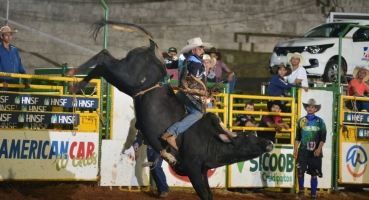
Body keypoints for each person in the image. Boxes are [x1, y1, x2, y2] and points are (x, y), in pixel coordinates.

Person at [161, 37, 208, 151]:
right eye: (200, 48)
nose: (202, 50)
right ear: (193, 50)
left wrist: (164, 60)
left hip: (182, 91)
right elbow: (196, 79)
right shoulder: (196, 63)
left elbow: (169, 64)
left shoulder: (183, 59)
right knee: (198, 113)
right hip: (191, 93)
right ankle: (172, 133)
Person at [294, 98, 327, 200]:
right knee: (300, 171)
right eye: (309, 106)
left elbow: (323, 138)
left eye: (312, 107)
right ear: (306, 108)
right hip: (303, 150)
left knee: (314, 174)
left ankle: (313, 194)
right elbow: (297, 137)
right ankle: (301, 191)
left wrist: (319, 149)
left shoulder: (320, 121)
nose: (310, 108)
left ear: (315, 109)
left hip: (315, 152)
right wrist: (295, 149)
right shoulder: (301, 121)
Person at [133, 131, 169, 198]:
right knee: (153, 168)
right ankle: (161, 190)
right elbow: (140, 135)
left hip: (159, 148)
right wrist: (137, 143)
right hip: (149, 148)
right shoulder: (142, 123)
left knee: (155, 167)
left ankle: (164, 189)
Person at [0, 26, 30, 91]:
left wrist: (25, 80)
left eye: (10, 35)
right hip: (4, 86)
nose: (9, 37)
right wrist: (1, 81)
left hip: (15, 85)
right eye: (6, 35)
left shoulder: (14, 50)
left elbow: (20, 66)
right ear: (2, 36)